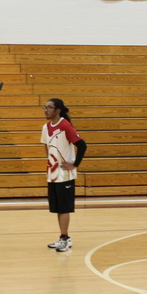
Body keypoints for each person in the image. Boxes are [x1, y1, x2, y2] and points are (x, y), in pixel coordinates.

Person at [42, 98, 87, 252]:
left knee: (64, 207)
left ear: (58, 110)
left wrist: (74, 164)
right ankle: (62, 236)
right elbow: (47, 147)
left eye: (49, 107)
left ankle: (65, 238)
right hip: (53, 174)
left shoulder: (65, 125)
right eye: (45, 107)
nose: (46, 110)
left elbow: (82, 145)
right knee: (58, 208)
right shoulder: (45, 127)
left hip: (65, 175)